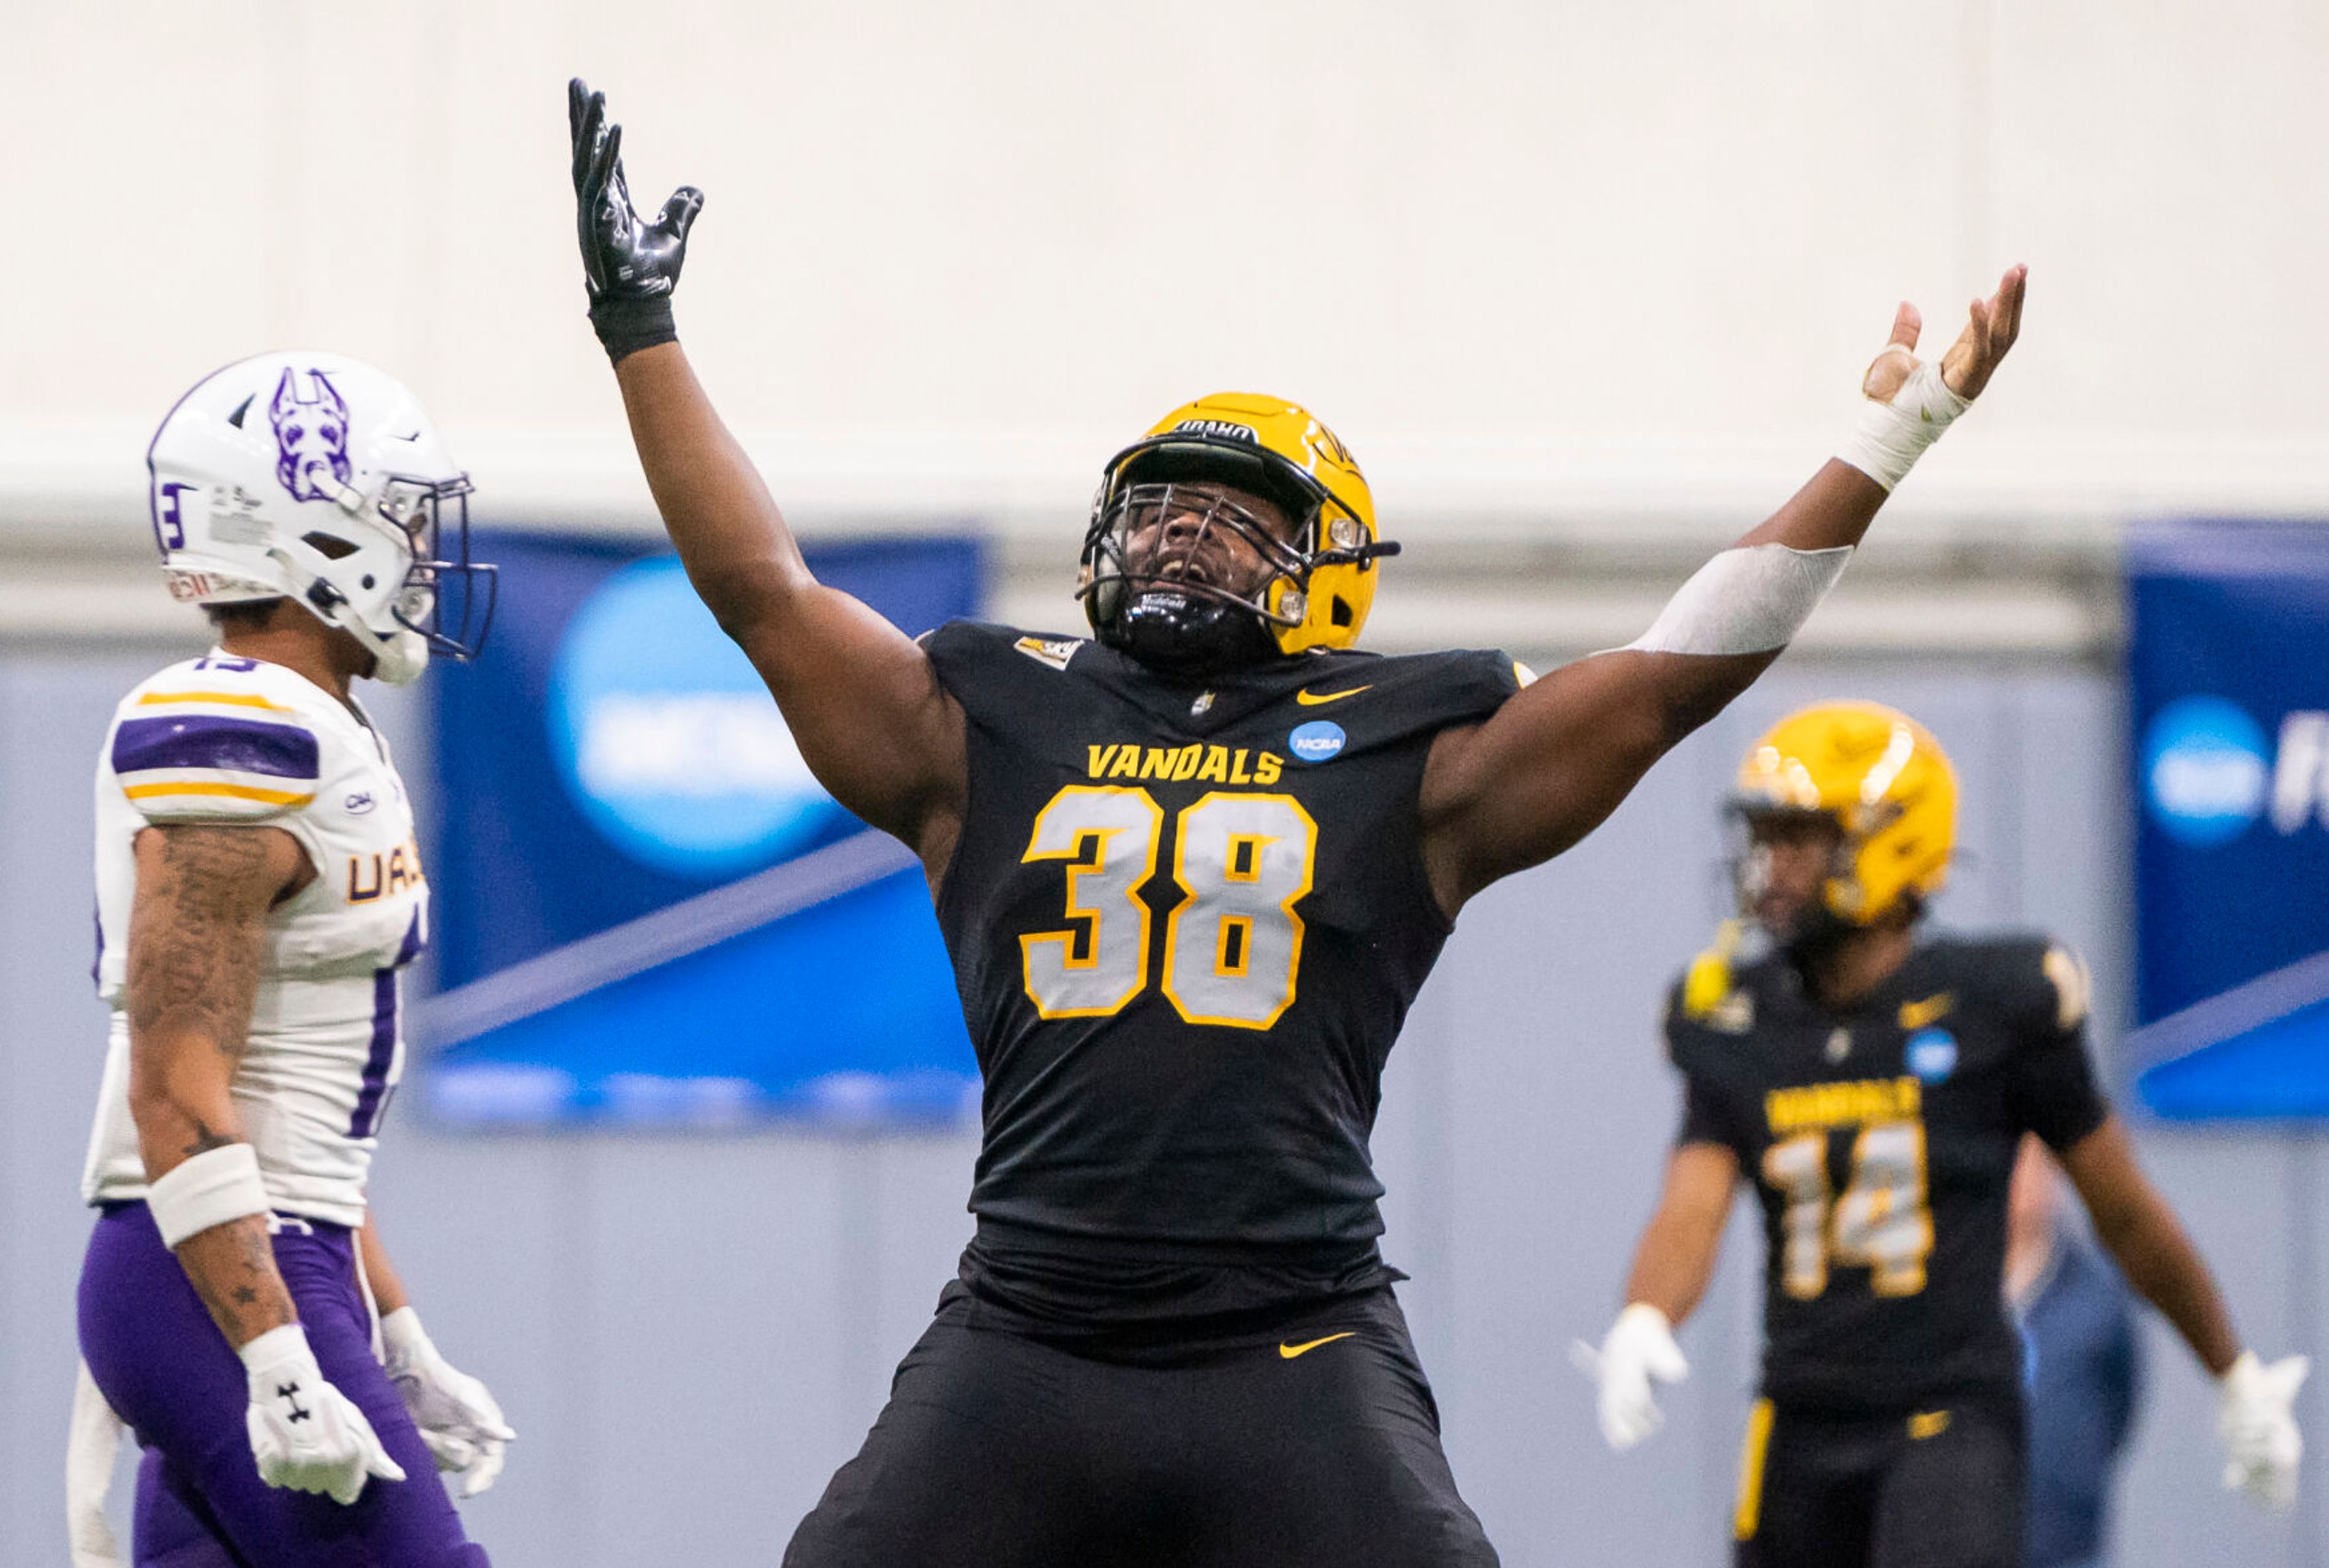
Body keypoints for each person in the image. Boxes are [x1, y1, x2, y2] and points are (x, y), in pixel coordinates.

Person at [567, 74, 2026, 1566]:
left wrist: (1891, 445)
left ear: (1328, 571)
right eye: (1162, 505)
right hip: (1026, 1327)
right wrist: (643, 336)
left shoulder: (1408, 744)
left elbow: (1662, 681)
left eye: (1239, 515)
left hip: (1287, 1336)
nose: (1186, 530)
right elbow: (764, 592)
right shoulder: (995, 715)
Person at [1578, 702, 2308, 1568]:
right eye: (1766, 835)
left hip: (1947, 1414)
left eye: (1799, 837)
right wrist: (1644, 1315)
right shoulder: (1739, 1013)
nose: (1771, 864)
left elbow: (2126, 1213)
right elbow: (1692, 1203)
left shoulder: (1999, 1001)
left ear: (1890, 842)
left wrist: (2234, 1372)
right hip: (1797, 1416)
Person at [68, 352, 510, 1568]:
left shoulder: (314, 728)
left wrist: (396, 1323)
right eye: (400, 517)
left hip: (242, 1251)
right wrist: (278, 1360)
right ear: (311, 530)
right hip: (206, 1272)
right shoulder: (241, 733)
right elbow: (172, 1090)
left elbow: (278, 1108)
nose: (421, 552)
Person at [2007, 1136, 2143, 1568]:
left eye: (2035, 1166)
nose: (2023, 1182)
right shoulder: (1951, 1289)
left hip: (2068, 1547)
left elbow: (2120, 1405)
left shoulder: (2096, 1292)